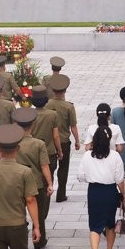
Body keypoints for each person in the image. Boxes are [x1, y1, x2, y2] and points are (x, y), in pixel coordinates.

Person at [78, 127, 125, 249]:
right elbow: (120, 179)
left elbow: (81, 176)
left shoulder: (87, 156)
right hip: (110, 191)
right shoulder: (115, 156)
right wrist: (124, 196)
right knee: (110, 224)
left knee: (94, 225)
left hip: (94, 191)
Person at [9, 108, 54, 249]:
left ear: (16, 124)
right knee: (39, 213)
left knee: (18, 214)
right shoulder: (38, 144)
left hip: (16, 183)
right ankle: (39, 240)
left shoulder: (13, 142)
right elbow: (44, 165)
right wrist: (50, 183)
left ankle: (19, 241)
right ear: (33, 124)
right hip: (36, 183)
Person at [47, 74, 79, 202]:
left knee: (50, 167)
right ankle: (61, 194)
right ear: (65, 90)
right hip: (64, 141)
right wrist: (77, 141)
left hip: (50, 142)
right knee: (63, 168)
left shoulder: (47, 104)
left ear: (53, 90)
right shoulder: (68, 106)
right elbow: (73, 126)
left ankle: (49, 189)